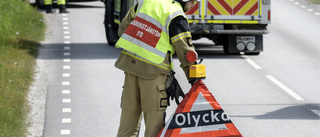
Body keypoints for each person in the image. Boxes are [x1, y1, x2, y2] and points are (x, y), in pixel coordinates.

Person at [114, 0, 199, 136]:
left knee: (127, 127)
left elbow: (123, 30)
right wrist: (195, 79)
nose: (194, 5)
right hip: (154, 75)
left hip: (131, 70)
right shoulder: (175, 14)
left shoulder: (146, 2)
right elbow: (185, 51)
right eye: (193, 2)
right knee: (154, 128)